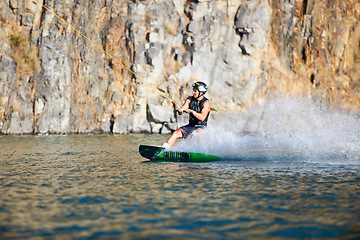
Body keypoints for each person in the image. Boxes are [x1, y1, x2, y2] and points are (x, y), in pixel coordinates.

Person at [162, 82, 210, 148]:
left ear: (201, 92)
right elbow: (182, 109)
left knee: (198, 132)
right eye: (193, 90)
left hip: (201, 127)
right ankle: (164, 148)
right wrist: (180, 110)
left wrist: (192, 112)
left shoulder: (206, 103)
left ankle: (201, 150)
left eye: (195, 91)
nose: (193, 92)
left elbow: (202, 117)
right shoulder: (189, 99)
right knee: (177, 132)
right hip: (190, 126)